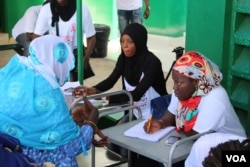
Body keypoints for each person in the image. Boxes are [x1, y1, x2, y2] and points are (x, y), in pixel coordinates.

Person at [0, 35, 107, 167]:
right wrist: (92, 121)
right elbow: (74, 147)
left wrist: (74, 123)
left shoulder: (11, 73)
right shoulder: (49, 90)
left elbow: (36, 123)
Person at [73, 23, 167, 163]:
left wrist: (105, 97)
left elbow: (136, 94)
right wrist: (91, 90)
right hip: (136, 112)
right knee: (113, 144)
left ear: (139, 41)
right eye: (122, 41)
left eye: (130, 41)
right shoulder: (124, 59)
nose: (125, 46)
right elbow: (111, 80)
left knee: (129, 150)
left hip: (156, 114)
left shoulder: (152, 62)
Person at [144, 51, 246, 166]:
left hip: (235, 154)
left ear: (196, 82)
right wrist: (161, 123)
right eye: (174, 81)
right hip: (202, 145)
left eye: (179, 83)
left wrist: (177, 126)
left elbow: (195, 135)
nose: (174, 87)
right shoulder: (181, 91)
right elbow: (171, 113)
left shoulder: (214, 98)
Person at [33, 0, 96, 81]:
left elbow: (91, 36)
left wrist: (85, 59)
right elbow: (37, 37)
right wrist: (42, 58)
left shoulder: (81, 7)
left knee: (76, 88)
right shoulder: (46, 9)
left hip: (76, 53)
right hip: (55, 54)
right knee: (57, 86)